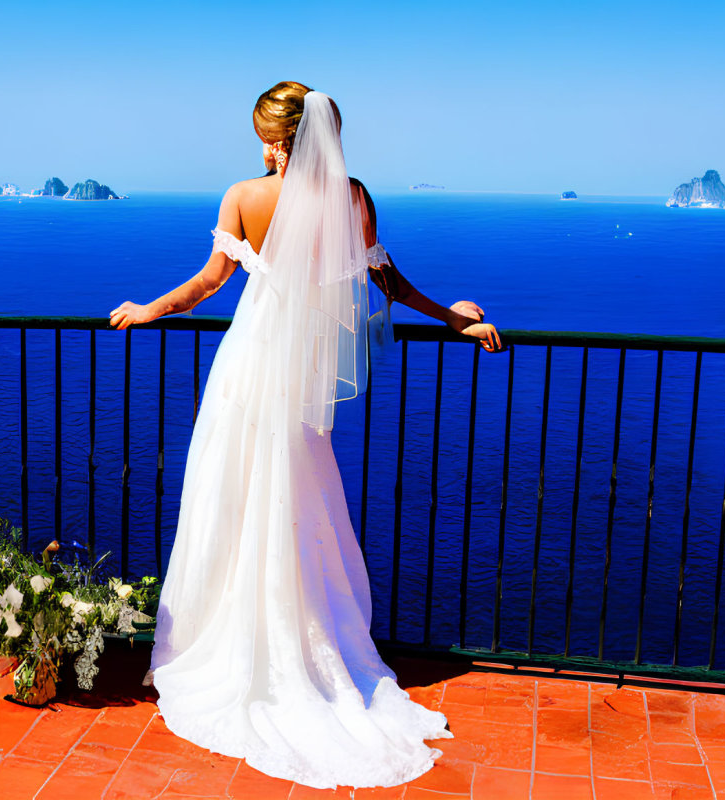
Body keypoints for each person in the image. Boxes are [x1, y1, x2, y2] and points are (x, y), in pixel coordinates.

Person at [109, 81, 502, 790]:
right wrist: (452, 317)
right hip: (301, 380)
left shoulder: (243, 196)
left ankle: (234, 637)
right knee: (299, 497)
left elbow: (207, 283)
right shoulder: (350, 197)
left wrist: (148, 310)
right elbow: (384, 277)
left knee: (230, 493)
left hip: (248, 365)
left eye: (264, 133)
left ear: (274, 138)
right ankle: (304, 640)